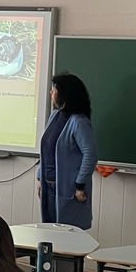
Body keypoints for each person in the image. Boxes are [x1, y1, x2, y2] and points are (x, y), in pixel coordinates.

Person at [37, 73, 97, 229]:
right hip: (48, 187)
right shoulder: (55, 115)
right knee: (50, 231)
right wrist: (39, 177)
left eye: (54, 89)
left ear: (64, 94)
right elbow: (46, 149)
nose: (51, 92)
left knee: (67, 233)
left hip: (69, 189)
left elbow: (90, 155)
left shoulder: (79, 122)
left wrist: (80, 184)